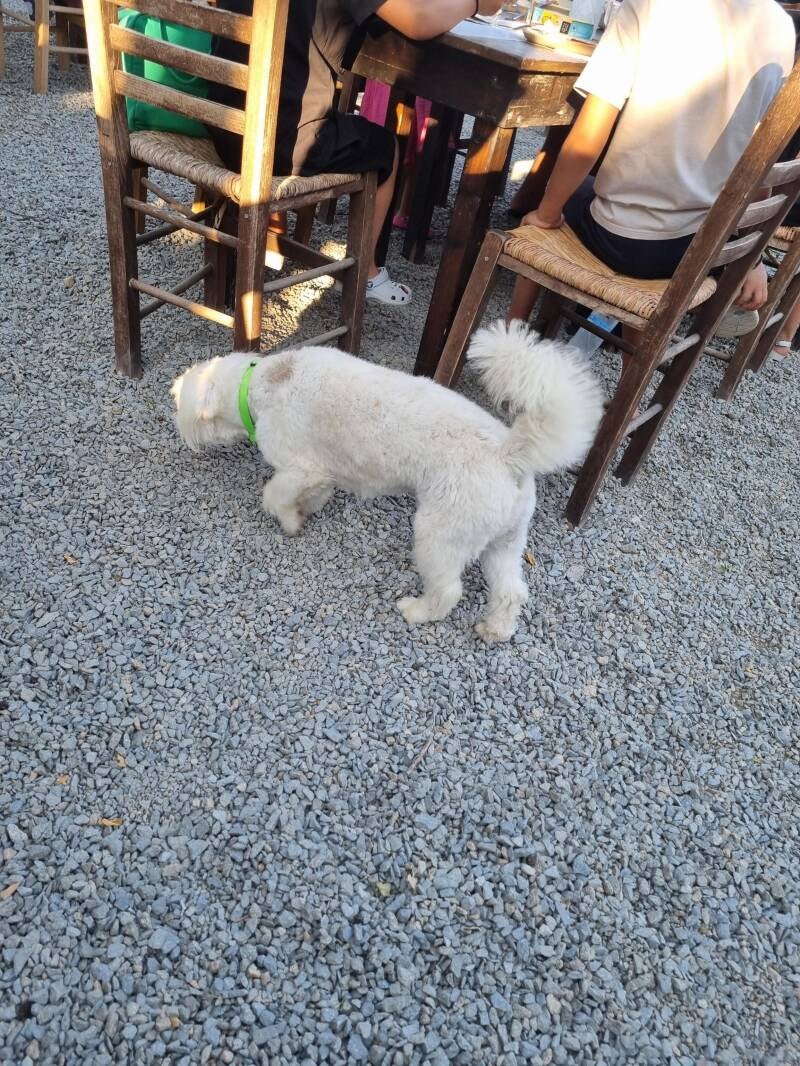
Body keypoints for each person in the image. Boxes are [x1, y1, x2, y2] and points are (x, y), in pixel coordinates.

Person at [506, 0, 796, 336]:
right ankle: (631, 355)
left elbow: (588, 135)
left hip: (619, 237)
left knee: (548, 204)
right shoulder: (780, 27)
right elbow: (759, 167)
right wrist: (752, 258)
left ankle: (514, 334)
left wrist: (546, 213)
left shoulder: (649, 5)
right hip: (696, 252)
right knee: (579, 198)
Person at [209, 0, 502, 306]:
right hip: (280, 143)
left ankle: (240, 235)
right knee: (385, 147)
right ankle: (366, 274)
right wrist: (477, 4)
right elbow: (418, 21)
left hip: (223, 124)